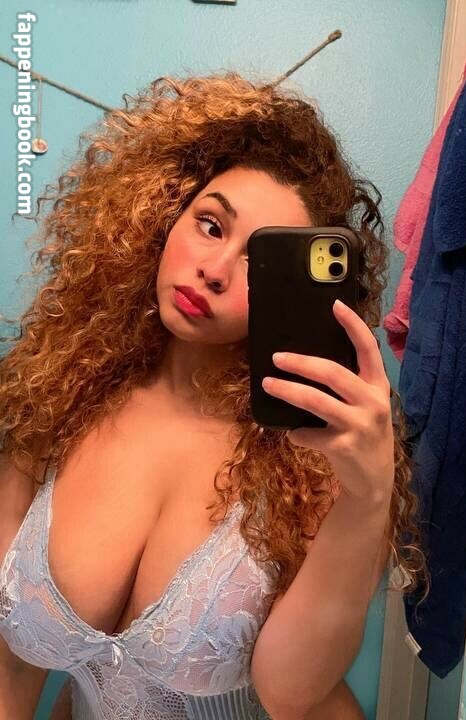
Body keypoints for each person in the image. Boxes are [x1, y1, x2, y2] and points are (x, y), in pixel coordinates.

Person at [0, 72, 429, 719]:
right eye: (209, 225)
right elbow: (12, 662)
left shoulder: (312, 453)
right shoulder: (56, 396)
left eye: (261, 261)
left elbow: (291, 694)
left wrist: (368, 496)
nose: (217, 270)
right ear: (161, 217)